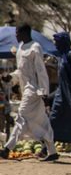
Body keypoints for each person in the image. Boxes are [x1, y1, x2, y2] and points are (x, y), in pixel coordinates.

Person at [1, 24, 58, 162]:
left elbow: (41, 71)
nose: (16, 35)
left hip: (34, 90)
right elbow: (21, 71)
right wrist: (12, 77)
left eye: (17, 32)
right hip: (25, 87)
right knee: (42, 121)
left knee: (21, 115)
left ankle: (7, 148)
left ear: (25, 33)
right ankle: (52, 151)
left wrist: (44, 92)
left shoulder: (35, 47)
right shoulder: (20, 48)